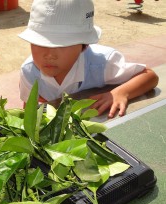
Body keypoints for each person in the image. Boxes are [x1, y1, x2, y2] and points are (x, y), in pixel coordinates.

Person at [18, 0, 158, 118]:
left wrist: (119, 93)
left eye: (62, 45)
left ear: (84, 46)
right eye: (40, 43)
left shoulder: (102, 63)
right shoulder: (29, 72)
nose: (49, 54)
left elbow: (150, 76)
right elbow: (29, 108)